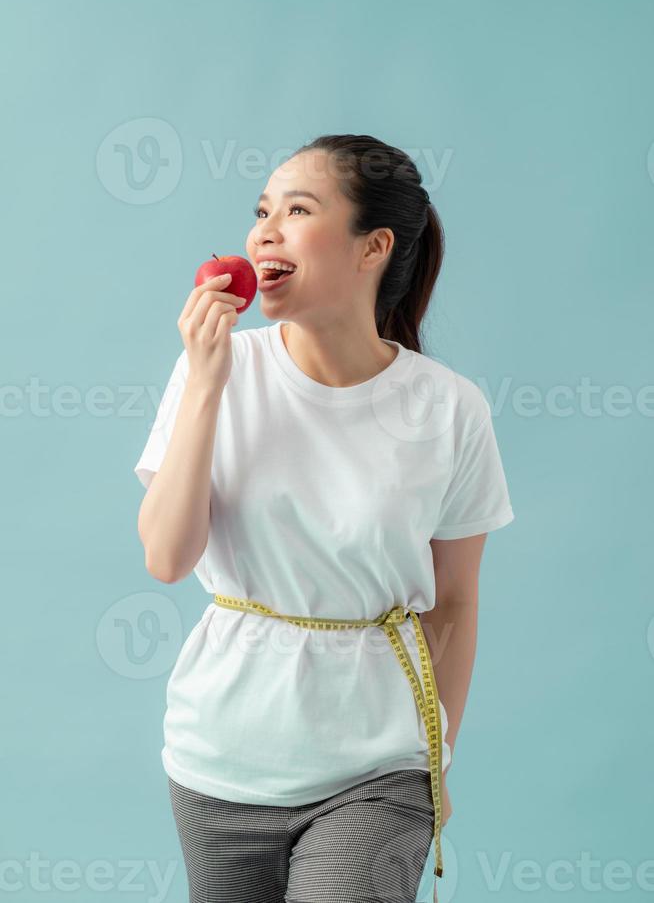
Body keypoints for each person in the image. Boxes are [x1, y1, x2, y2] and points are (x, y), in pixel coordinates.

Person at [134, 134, 515, 903]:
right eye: (261, 211)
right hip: (218, 756)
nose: (263, 232)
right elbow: (168, 558)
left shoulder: (448, 409)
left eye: (298, 210)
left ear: (374, 246)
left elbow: (457, 598)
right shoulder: (214, 370)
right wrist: (208, 383)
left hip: (378, 767)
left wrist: (436, 751)